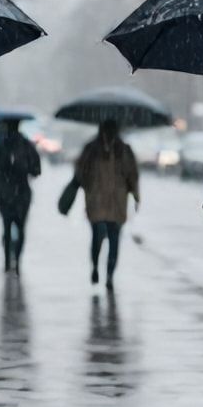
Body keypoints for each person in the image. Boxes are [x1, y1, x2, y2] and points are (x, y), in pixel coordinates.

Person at [72, 118, 139, 288]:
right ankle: (95, 266)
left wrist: (136, 195)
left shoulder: (123, 150)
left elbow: (132, 175)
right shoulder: (92, 149)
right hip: (97, 203)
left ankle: (109, 275)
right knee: (98, 237)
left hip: (116, 203)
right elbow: (80, 173)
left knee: (114, 241)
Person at [0, 118, 41, 272]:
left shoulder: (0, 144)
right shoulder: (26, 145)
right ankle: (17, 260)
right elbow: (37, 170)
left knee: (7, 226)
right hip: (22, 193)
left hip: (5, 193)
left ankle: (7, 261)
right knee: (21, 227)